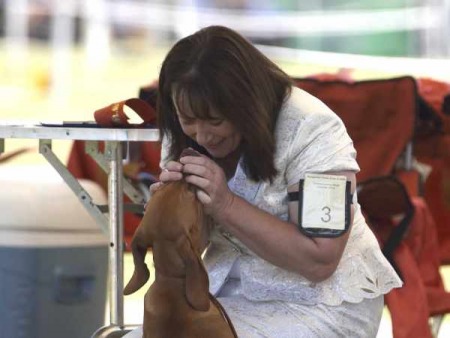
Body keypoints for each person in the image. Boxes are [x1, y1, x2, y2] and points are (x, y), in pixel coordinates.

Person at [125, 25, 402, 337]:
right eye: (189, 120)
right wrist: (173, 210)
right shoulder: (183, 132)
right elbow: (196, 244)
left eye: (216, 120)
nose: (202, 135)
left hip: (322, 305)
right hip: (227, 294)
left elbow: (321, 259)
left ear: (247, 104)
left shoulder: (312, 129)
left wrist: (224, 204)